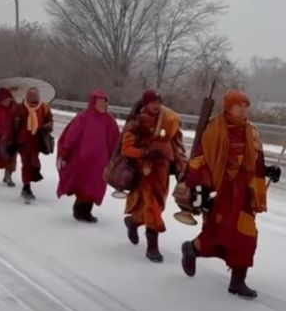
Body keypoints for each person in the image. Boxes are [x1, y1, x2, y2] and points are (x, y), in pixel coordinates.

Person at [177, 91, 279, 298]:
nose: (243, 110)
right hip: (223, 192)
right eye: (238, 105)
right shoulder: (215, 129)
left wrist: (268, 171)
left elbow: (255, 161)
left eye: (245, 106)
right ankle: (192, 249)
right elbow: (200, 159)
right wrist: (200, 185)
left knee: (246, 236)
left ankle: (238, 281)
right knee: (218, 234)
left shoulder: (252, 132)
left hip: (245, 195)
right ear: (228, 107)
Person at [120, 90, 184, 262]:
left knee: (155, 206)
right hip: (144, 173)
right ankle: (152, 247)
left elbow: (178, 147)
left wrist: (181, 167)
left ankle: (133, 222)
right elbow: (126, 149)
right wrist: (146, 153)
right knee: (152, 207)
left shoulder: (170, 122)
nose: (156, 105)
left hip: (162, 173)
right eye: (152, 102)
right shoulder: (136, 122)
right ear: (145, 103)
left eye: (158, 102)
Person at [56, 89, 121, 223]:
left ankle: (87, 211)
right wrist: (65, 153)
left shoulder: (109, 119)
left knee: (95, 186)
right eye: (99, 102)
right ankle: (79, 209)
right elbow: (71, 137)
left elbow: (115, 139)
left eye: (104, 102)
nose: (102, 105)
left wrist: (116, 157)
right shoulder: (83, 117)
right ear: (93, 102)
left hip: (101, 161)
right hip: (83, 160)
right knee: (83, 185)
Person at [13, 86, 53, 202]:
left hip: (37, 141)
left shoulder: (44, 107)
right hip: (23, 141)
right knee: (26, 163)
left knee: (34, 163)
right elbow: (15, 126)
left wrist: (47, 126)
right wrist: (13, 140)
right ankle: (26, 187)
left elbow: (49, 120)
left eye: (36, 98)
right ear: (27, 97)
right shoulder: (20, 108)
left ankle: (28, 184)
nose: (34, 102)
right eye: (32, 99)